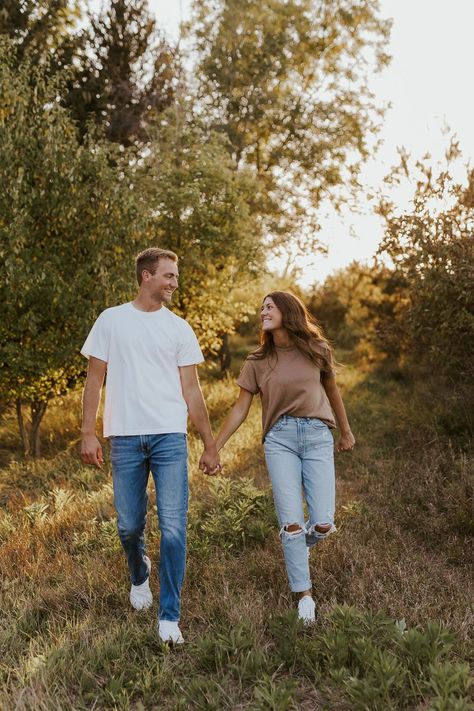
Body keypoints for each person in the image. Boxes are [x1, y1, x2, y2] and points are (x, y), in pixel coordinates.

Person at [80, 247, 220, 644]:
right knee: (128, 526)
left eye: (175, 277)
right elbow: (94, 381)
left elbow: (192, 391)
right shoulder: (111, 320)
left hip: (169, 437)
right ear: (146, 276)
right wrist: (88, 433)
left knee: (174, 528)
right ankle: (139, 572)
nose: (175, 283)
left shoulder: (179, 328)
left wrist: (209, 444)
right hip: (124, 436)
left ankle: (169, 616)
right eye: (169, 276)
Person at [215, 291, 355, 623]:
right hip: (280, 440)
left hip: (318, 436)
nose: (263, 310)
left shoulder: (317, 350)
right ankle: (303, 595)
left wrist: (345, 431)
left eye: (270, 306)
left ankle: (300, 546)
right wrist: (214, 446)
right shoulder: (257, 361)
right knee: (291, 523)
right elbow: (239, 410)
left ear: (288, 311)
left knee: (323, 523)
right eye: (261, 306)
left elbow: (332, 391)